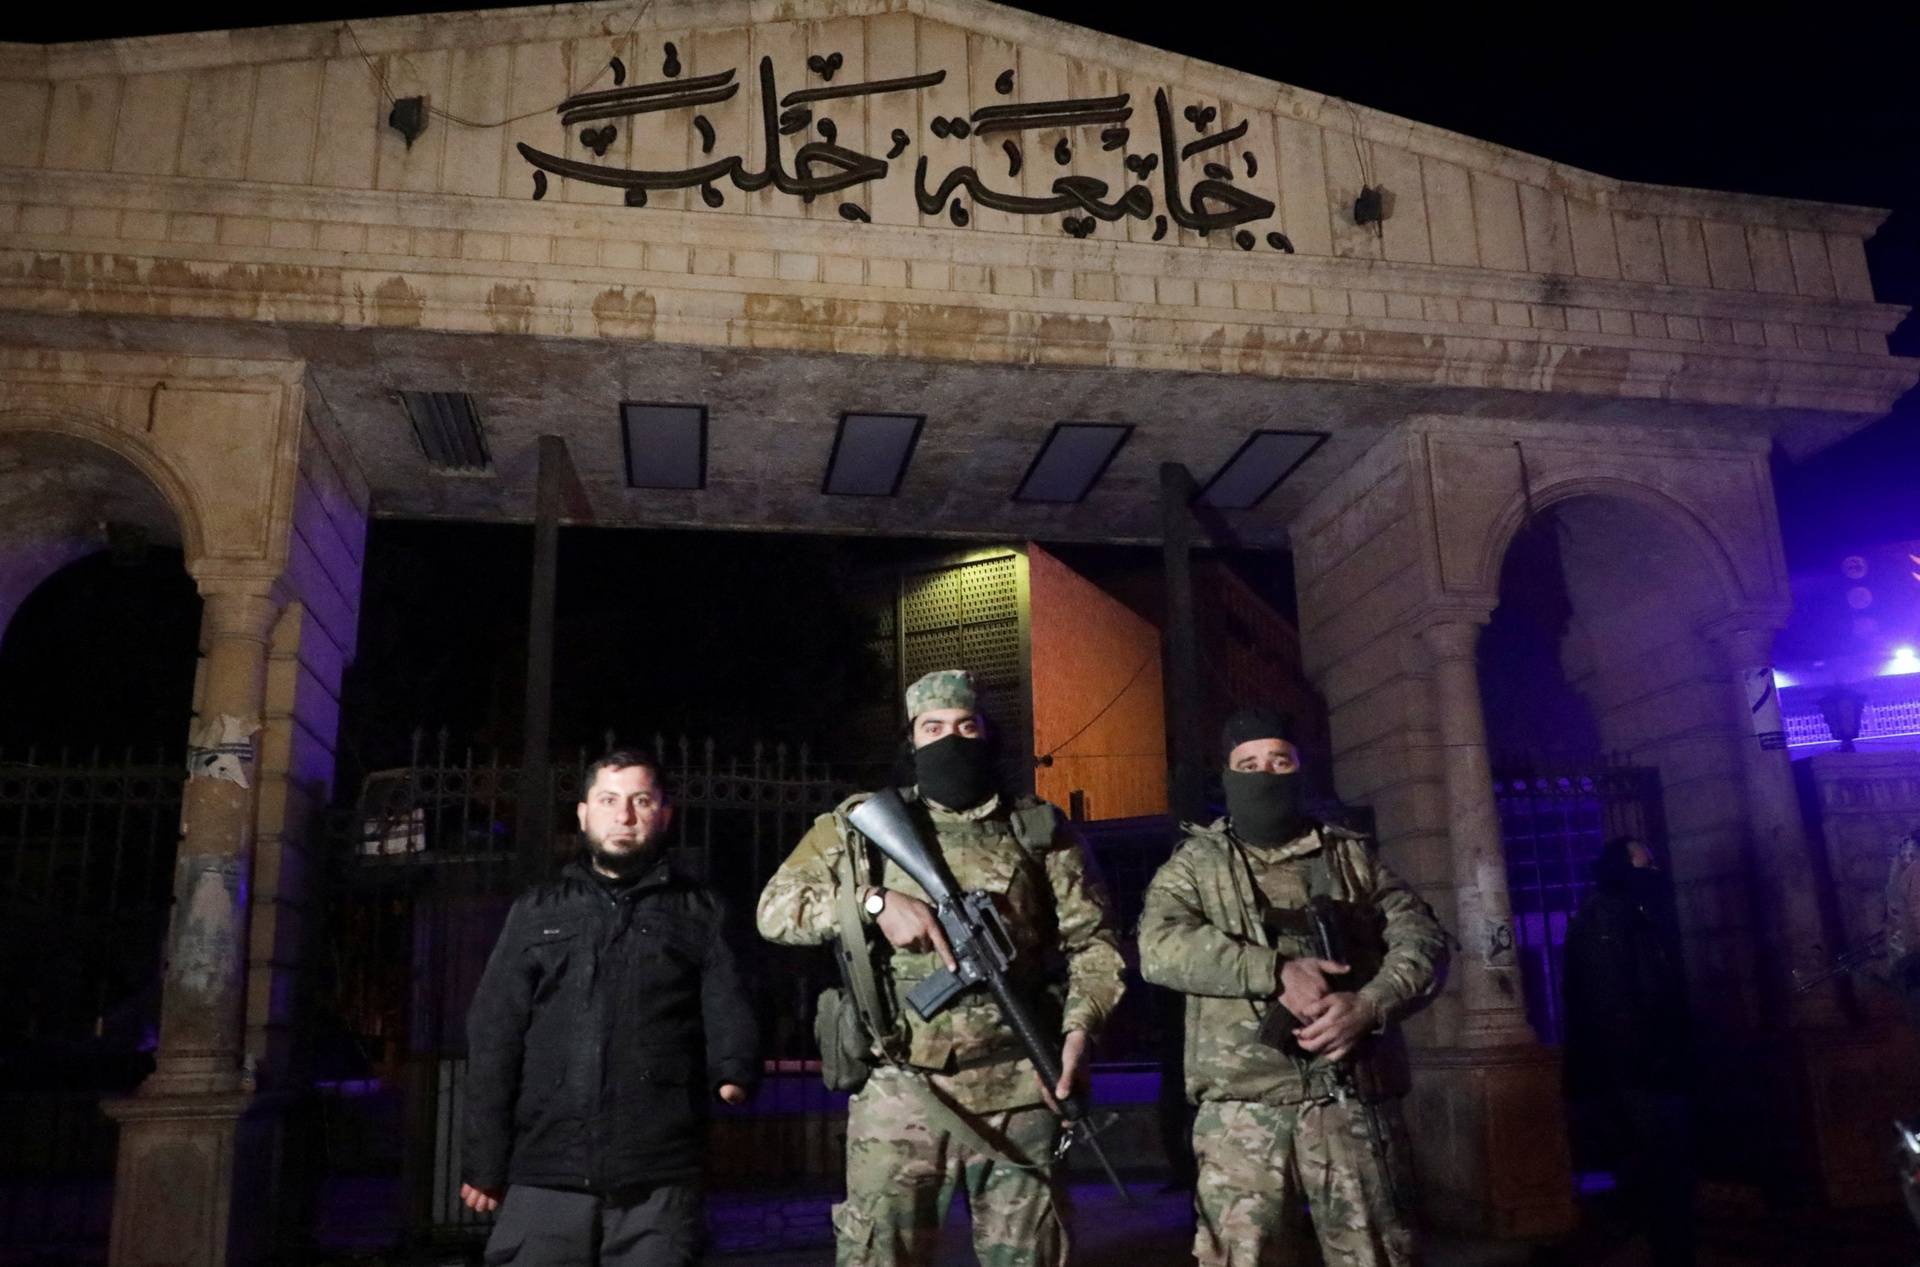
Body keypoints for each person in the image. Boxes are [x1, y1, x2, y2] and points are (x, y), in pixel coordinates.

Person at [756, 669, 1126, 1267]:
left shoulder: (1035, 829)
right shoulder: (857, 829)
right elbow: (774, 912)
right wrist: (874, 905)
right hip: (902, 1088)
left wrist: (1080, 1032)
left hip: (1021, 1089)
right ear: (911, 742)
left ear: (987, 735)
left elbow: (1097, 945)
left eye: (966, 726)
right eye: (933, 728)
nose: (951, 740)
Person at [1138, 708, 1448, 1267]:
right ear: (1228, 777)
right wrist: (1274, 971)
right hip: (1242, 1113)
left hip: (1351, 1105)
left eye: (1279, 761)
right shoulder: (1194, 866)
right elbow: (1159, 948)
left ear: (1299, 770)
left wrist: (1370, 1004)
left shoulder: (1351, 857)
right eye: (1249, 764)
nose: (1265, 774)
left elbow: (1423, 939)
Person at [460, 750, 759, 1266]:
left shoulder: (701, 910)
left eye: (641, 801)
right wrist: (484, 1158)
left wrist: (735, 1068)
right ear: (583, 814)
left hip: (659, 1175)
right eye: (608, 800)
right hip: (546, 1167)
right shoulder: (537, 910)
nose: (624, 816)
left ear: (664, 814)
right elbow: (494, 1033)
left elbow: (730, 1000)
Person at [1561, 836, 1694, 1267]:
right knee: (1653, 1161)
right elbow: (1612, 998)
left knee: (1661, 1162)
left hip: (1648, 1062)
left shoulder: (1634, 914)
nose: (1652, 870)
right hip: (1636, 1066)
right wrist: (1642, 1058)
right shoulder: (1609, 916)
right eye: (1643, 862)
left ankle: (1659, 1243)